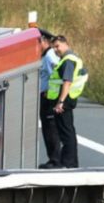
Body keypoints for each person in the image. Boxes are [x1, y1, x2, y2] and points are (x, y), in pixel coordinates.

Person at [45, 36, 88, 169]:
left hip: (65, 100)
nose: (56, 50)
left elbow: (67, 82)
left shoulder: (68, 61)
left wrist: (60, 102)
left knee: (66, 133)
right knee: (67, 131)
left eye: (57, 46)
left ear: (65, 44)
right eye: (54, 48)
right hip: (67, 99)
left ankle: (69, 163)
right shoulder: (69, 59)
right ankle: (70, 162)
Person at [37, 30, 61, 168]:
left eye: (38, 42)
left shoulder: (50, 56)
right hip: (47, 96)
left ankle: (55, 160)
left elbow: (56, 76)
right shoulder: (46, 56)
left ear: (44, 41)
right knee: (47, 128)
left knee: (50, 129)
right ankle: (53, 158)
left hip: (49, 98)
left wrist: (50, 93)